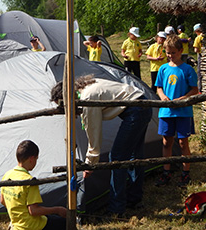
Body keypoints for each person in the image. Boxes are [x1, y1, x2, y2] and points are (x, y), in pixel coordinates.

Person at [50, 76, 152, 215]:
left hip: (136, 109)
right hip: (142, 104)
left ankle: (116, 209)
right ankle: (134, 199)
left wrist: (90, 164)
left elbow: (94, 133)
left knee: (117, 158)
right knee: (134, 155)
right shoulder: (85, 87)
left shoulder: (87, 99)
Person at [154, 34, 198, 187]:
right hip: (166, 111)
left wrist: (182, 99)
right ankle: (166, 171)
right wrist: (163, 97)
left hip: (183, 112)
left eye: (173, 52)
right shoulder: (163, 69)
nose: (170, 56)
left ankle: (185, 173)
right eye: (168, 53)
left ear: (180, 51)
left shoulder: (187, 69)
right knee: (166, 142)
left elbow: (195, 90)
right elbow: (159, 87)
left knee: (182, 142)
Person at [0, 140, 66, 230]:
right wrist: (57, 210)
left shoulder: (7, 175)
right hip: (32, 226)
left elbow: (2, 200)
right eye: (36, 159)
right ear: (31, 159)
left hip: (16, 225)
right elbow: (34, 211)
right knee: (63, 223)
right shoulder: (30, 181)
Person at [193, 23, 203, 93]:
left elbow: (196, 50)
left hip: (201, 55)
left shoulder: (198, 38)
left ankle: (200, 90)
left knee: (200, 73)